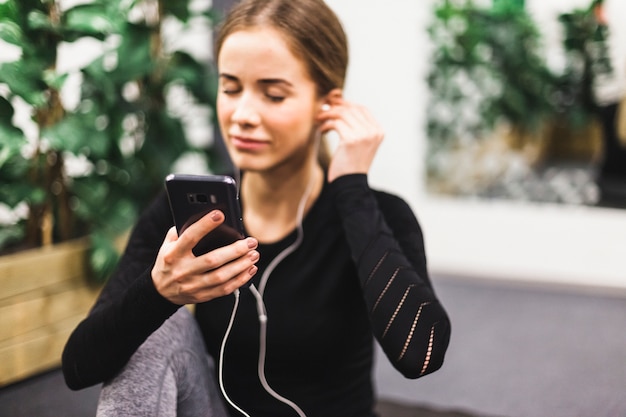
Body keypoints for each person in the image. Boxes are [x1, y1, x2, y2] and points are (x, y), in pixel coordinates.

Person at [62, 0, 451, 416]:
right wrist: (159, 294)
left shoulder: (379, 215)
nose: (242, 115)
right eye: (230, 88)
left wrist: (352, 186)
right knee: (158, 327)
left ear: (328, 105)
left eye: (274, 94)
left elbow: (420, 356)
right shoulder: (190, 218)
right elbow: (78, 365)